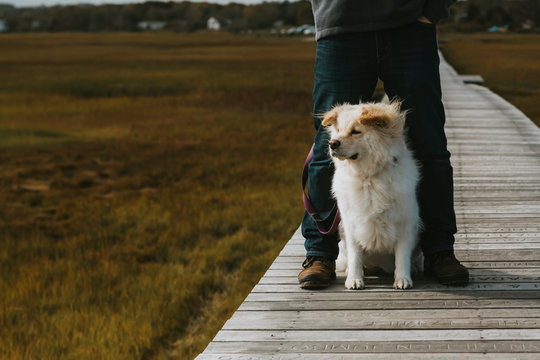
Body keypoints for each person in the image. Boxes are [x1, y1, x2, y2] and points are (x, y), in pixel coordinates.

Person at [298, 0, 469, 289]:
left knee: (431, 146)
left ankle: (439, 250)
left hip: (411, 27)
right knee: (326, 146)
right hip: (340, 27)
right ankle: (320, 253)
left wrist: (433, 10)